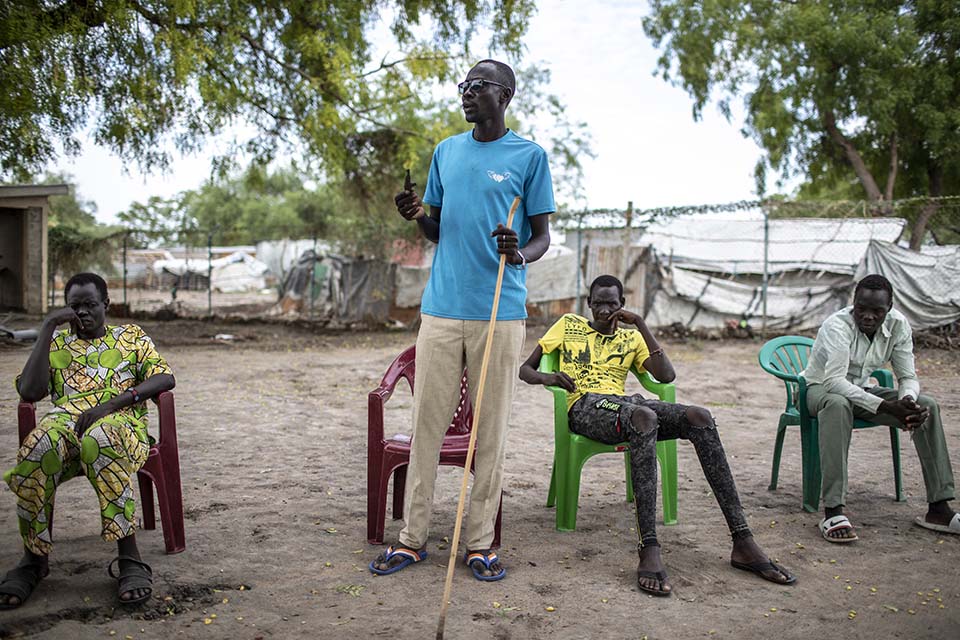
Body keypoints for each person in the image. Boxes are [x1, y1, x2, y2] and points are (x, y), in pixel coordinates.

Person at [370, 59, 555, 581]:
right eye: (463, 87)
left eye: (478, 87)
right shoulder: (446, 151)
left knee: (489, 432)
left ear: (506, 95)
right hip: (442, 310)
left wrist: (519, 252)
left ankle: (479, 544)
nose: (467, 94)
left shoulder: (529, 156)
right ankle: (411, 540)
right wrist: (416, 216)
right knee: (426, 424)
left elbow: (541, 235)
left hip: (499, 311)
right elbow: (437, 229)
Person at [518, 275, 795, 596]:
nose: (604, 309)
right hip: (584, 406)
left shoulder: (631, 338)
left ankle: (743, 540)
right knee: (645, 417)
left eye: (612, 303)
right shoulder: (568, 325)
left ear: (622, 306)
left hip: (624, 405)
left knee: (699, 417)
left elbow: (666, 375)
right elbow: (526, 369)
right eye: (598, 302)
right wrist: (549, 376)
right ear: (589, 303)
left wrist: (642, 327)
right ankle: (648, 546)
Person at [0, 273, 175, 608]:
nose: (82, 313)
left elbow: (165, 377)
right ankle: (34, 559)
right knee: (38, 447)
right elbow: (30, 392)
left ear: (106, 304)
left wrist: (112, 404)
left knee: (101, 439)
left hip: (120, 424)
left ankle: (129, 555)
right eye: (74, 306)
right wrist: (49, 327)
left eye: (90, 305)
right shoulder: (57, 345)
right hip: (65, 424)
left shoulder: (130, 338)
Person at [803, 273, 957, 542]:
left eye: (878, 311)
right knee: (839, 405)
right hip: (819, 390)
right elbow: (834, 381)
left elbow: (908, 377)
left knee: (926, 405)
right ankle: (833, 510)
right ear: (854, 304)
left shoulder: (899, 326)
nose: (869, 316)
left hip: (861, 391)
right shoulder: (837, 326)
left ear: (890, 308)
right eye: (862, 309)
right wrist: (885, 405)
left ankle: (939, 508)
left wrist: (907, 400)